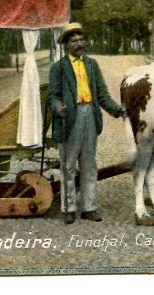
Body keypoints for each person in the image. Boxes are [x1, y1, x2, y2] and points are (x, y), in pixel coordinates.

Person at [49, 22, 124, 224]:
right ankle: (69, 208)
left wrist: (116, 109)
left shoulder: (92, 65)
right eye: (74, 41)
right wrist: (58, 107)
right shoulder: (59, 68)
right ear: (66, 45)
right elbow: (52, 96)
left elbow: (102, 93)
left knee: (89, 164)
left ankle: (89, 207)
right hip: (69, 118)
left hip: (90, 114)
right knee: (68, 165)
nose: (79, 44)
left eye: (81, 40)